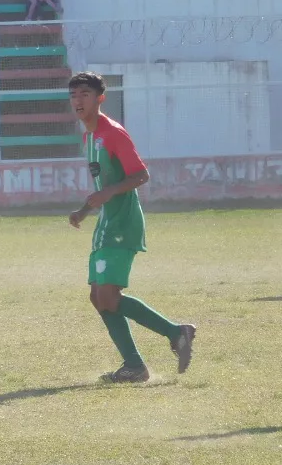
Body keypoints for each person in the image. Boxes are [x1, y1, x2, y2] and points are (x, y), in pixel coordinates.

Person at [67, 72, 196, 383]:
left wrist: (108, 194)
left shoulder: (113, 133)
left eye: (85, 94)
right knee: (98, 297)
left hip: (123, 223)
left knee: (108, 296)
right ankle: (134, 366)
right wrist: (85, 210)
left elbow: (141, 175)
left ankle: (175, 333)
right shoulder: (89, 137)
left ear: (100, 98)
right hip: (106, 223)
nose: (78, 100)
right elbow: (104, 184)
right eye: (73, 95)